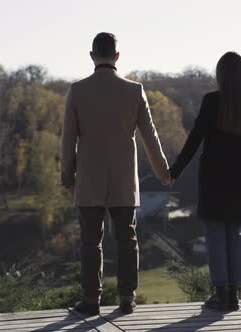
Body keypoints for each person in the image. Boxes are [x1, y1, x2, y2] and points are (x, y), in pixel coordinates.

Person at [60, 32, 172, 316]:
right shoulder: (134, 91)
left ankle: (91, 300)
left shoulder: (78, 90)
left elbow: (68, 139)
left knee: (90, 242)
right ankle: (126, 298)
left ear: (92, 56)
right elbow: (151, 137)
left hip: (89, 178)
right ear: (117, 57)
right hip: (123, 179)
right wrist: (162, 172)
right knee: (127, 240)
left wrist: (67, 176)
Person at [169, 51, 241, 311]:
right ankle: (233, 294)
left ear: (221, 75)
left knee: (215, 235)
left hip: (214, 178)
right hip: (239, 179)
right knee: (235, 234)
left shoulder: (212, 101)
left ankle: (220, 292)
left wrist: (175, 169)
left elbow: (195, 139)